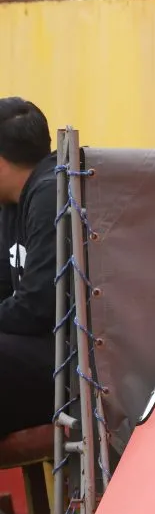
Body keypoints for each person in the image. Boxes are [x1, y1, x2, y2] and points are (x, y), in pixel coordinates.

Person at [0, 98, 58, 439]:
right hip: (30, 355)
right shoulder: (11, 201)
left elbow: (37, 307)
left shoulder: (52, 193)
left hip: (70, 366)